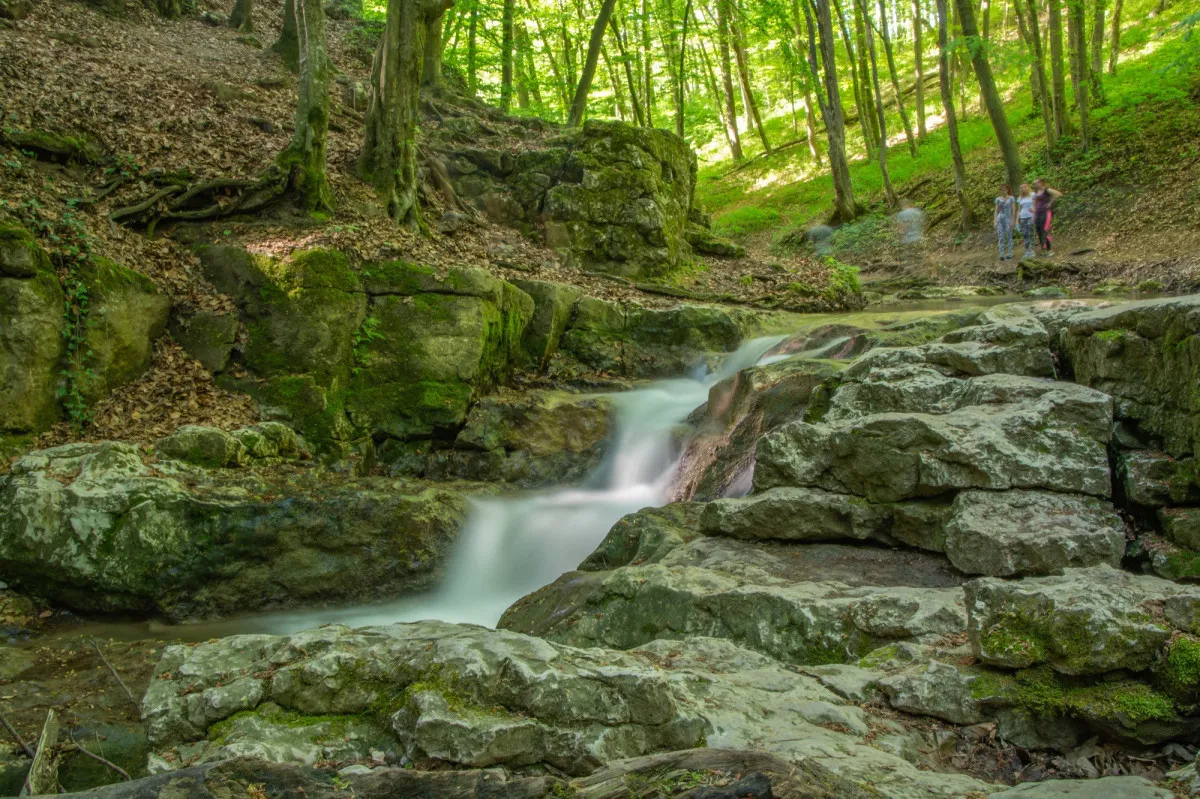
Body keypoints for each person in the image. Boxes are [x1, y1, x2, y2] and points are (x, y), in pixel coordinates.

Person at [1032, 178, 1063, 257]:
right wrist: (1034, 213)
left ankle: (1049, 250)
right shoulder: (1036, 192)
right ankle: (1044, 250)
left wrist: (1050, 202)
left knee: (1044, 231)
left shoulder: (1046, 190)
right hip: (1038, 213)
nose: (1035, 185)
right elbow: (1035, 203)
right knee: (1039, 231)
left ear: (1041, 183)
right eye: (1034, 184)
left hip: (1045, 212)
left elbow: (1058, 194)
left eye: (1036, 183)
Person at [994, 185, 1017, 261]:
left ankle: (1009, 254)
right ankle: (1001, 254)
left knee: (1009, 236)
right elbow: (996, 211)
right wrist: (995, 221)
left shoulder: (1011, 198)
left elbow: (1013, 210)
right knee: (1000, 236)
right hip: (1000, 219)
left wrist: (1013, 220)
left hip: (1008, 219)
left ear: (1007, 190)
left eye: (1004, 190)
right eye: (1001, 190)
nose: (1003, 191)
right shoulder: (998, 199)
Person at [1016, 183, 1037, 259]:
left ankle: (1032, 250)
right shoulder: (1020, 198)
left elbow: (1036, 205)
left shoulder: (1033, 194)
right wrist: (1016, 221)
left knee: (1031, 233)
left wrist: (1034, 212)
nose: (1022, 189)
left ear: (1027, 187)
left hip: (1030, 216)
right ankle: (1027, 250)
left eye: (1024, 187)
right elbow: (1018, 210)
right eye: (1021, 187)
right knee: (1025, 234)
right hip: (1022, 217)